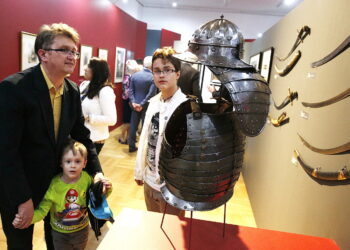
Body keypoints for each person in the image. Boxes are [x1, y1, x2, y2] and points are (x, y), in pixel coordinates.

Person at [0, 23, 107, 249]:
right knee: (19, 245)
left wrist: (97, 172)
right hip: (20, 185)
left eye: (74, 51)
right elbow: (5, 152)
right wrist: (22, 199)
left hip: (57, 184)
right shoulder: (14, 88)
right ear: (43, 54)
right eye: (65, 50)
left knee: (59, 243)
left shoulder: (71, 89)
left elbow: (81, 135)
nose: (72, 56)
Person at [12, 140, 112, 250]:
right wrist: (28, 219)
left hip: (82, 231)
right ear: (61, 163)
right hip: (60, 235)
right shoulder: (54, 185)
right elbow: (43, 210)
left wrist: (107, 188)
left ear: (85, 163)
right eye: (68, 161)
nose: (73, 165)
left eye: (77, 161)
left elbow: (97, 198)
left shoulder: (87, 179)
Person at [134, 47, 187, 216]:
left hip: (172, 187)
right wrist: (139, 171)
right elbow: (145, 138)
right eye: (157, 71)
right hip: (150, 180)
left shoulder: (186, 108)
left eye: (167, 70)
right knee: (153, 227)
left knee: (172, 234)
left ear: (177, 74)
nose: (161, 75)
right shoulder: (154, 102)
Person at [80, 57, 117, 154]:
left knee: (87, 168)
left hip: (94, 139)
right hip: (81, 135)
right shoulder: (84, 84)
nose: (85, 68)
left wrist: (89, 118)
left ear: (96, 71)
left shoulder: (105, 91)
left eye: (88, 66)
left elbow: (111, 119)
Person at [128, 56, 157, 152]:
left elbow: (130, 90)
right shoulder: (153, 77)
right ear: (152, 65)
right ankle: (142, 148)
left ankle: (131, 146)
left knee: (133, 126)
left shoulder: (134, 75)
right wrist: (142, 104)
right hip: (146, 106)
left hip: (134, 105)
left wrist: (134, 102)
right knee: (145, 127)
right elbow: (151, 93)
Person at [118, 59, 139, 145]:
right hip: (128, 101)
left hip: (127, 100)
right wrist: (132, 100)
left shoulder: (127, 77)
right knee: (128, 122)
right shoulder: (129, 78)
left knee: (129, 121)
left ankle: (126, 137)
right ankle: (123, 137)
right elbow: (127, 92)